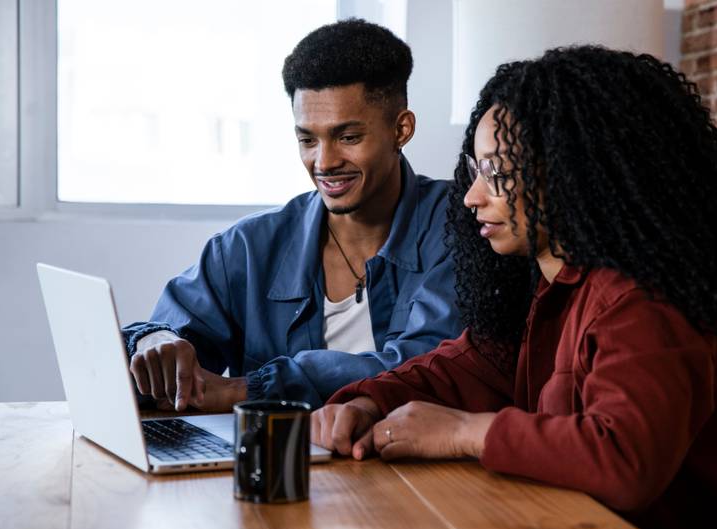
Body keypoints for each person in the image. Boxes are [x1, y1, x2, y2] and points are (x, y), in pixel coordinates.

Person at [312, 46, 717, 529]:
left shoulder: (645, 302)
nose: (471, 196)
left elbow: (625, 460)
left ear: (572, 172)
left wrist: (465, 432)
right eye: (475, 171)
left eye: (497, 173)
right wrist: (368, 401)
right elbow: (466, 366)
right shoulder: (548, 287)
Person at [122, 19, 462, 412]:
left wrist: (248, 390)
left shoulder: (460, 224)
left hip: (415, 470)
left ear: (401, 129)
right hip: (281, 465)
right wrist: (154, 343)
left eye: (348, 137)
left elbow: (426, 365)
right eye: (307, 139)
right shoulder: (249, 247)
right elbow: (163, 335)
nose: (325, 162)